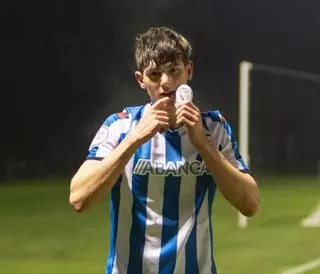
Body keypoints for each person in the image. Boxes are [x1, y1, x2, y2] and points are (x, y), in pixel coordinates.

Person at [69, 26, 259, 274]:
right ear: (141, 80)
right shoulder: (120, 126)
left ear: (188, 71)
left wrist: (202, 143)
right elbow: (79, 198)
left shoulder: (214, 128)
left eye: (174, 71)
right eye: (155, 74)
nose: (166, 83)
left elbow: (250, 203)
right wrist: (135, 139)